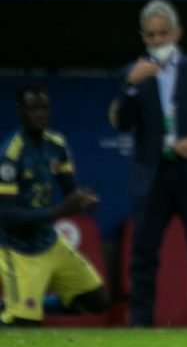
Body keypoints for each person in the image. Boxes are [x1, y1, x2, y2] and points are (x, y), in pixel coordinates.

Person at [108, 0, 187, 327]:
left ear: (177, 33)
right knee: (143, 251)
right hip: (153, 173)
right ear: (143, 37)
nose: (158, 41)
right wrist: (131, 85)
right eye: (150, 36)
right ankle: (141, 320)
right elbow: (121, 123)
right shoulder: (131, 74)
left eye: (163, 34)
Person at [0, 85, 109, 326]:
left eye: (43, 108)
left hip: (49, 241)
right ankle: (16, 309)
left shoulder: (56, 144)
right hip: (18, 247)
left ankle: (22, 304)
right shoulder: (11, 154)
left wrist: (83, 200)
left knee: (98, 301)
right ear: (20, 112)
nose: (39, 114)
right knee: (24, 325)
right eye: (32, 108)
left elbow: (70, 189)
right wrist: (59, 211)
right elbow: (6, 216)